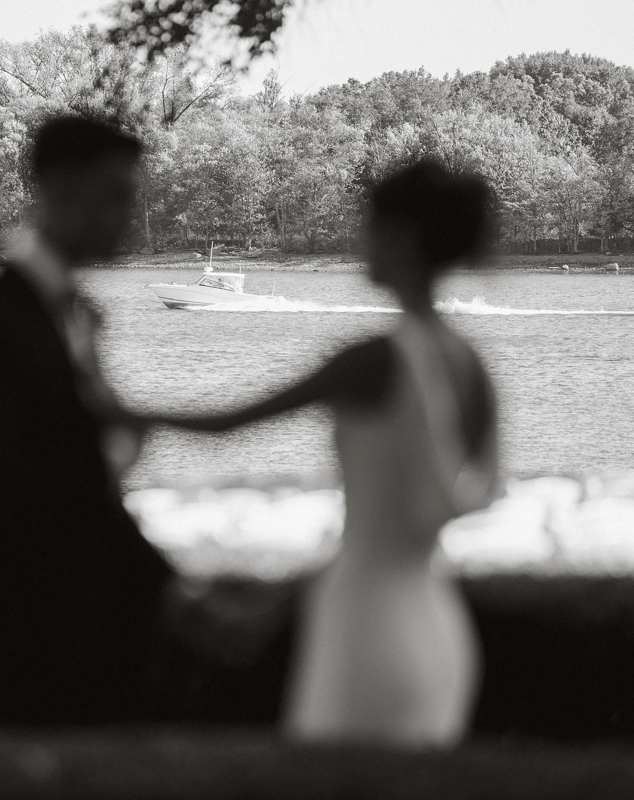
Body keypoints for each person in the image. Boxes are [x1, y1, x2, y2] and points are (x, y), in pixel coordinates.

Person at [149, 161, 500, 746]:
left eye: (371, 224)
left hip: (364, 625)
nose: (360, 240)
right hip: (439, 624)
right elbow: (477, 491)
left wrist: (116, 410)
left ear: (403, 237)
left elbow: (229, 424)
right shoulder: (469, 361)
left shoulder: (372, 359)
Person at [0, 116, 173, 723]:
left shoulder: (65, 315)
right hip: (11, 645)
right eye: (117, 195)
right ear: (62, 188)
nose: (129, 216)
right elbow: (13, 492)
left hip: (67, 633)